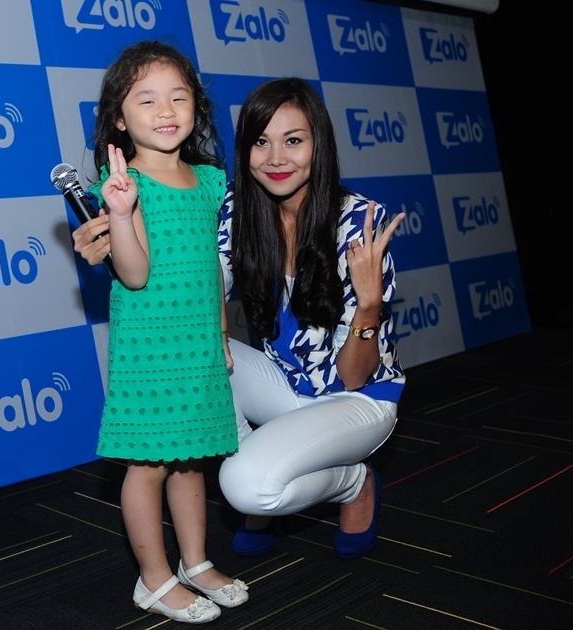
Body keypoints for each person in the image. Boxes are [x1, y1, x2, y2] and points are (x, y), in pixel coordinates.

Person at [82, 40, 248, 624]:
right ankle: (152, 579)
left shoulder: (209, 180)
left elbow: (213, 272)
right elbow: (133, 273)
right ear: (119, 118)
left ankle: (195, 562)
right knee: (148, 464)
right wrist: (120, 212)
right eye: (146, 99)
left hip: (199, 344)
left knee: (191, 460)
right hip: (149, 350)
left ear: (196, 106)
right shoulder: (121, 183)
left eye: (178, 96)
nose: (166, 110)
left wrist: (221, 336)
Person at [215, 77, 405, 560]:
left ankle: (353, 482)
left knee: (243, 486)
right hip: (286, 385)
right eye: (261, 142)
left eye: (293, 140)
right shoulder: (240, 207)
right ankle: (266, 462)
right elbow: (211, 277)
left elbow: (355, 376)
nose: (276, 158)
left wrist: (369, 305)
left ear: (319, 145)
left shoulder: (357, 223)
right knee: (187, 346)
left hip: (356, 400)